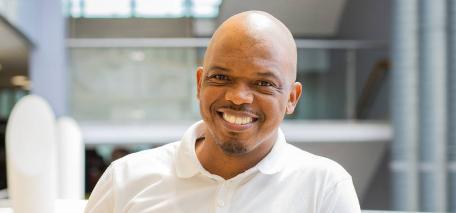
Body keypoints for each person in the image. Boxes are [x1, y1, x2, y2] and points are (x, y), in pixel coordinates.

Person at [85, 11, 361, 213]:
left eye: (264, 83)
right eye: (221, 77)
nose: (238, 97)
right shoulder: (126, 179)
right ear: (199, 83)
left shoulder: (325, 187)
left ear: (292, 98)